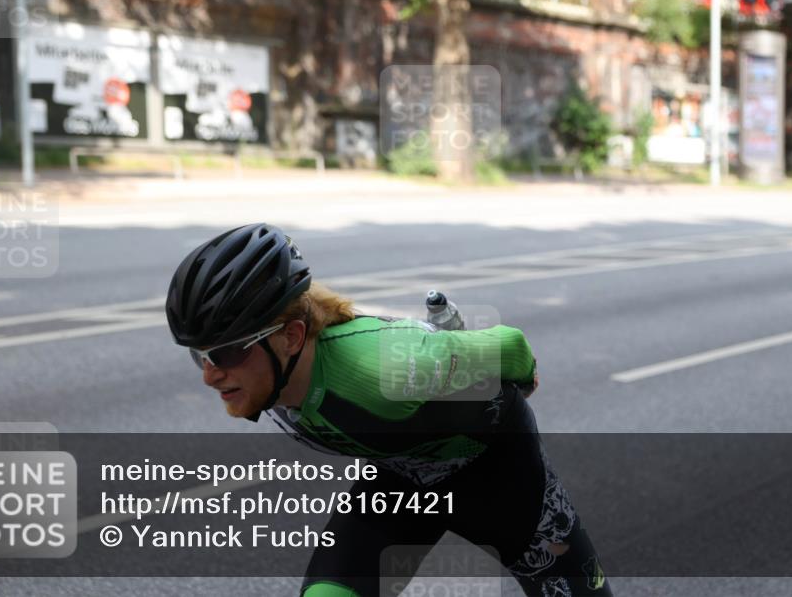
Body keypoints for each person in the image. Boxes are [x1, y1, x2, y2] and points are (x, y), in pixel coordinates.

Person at [166, 223, 612, 597]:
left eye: (225, 355)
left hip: (496, 476)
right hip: (400, 478)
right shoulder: (270, 377)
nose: (210, 376)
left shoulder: (387, 366)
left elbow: (510, 346)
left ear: (292, 337)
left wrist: (523, 378)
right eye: (200, 357)